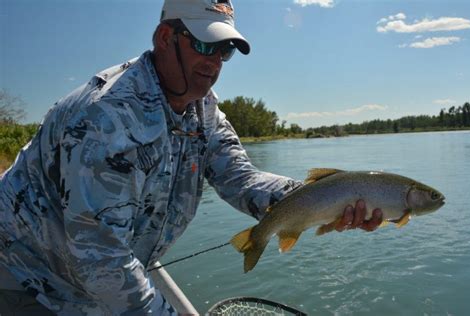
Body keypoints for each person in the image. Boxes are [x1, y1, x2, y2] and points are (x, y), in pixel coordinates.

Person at [0, 0, 383, 314]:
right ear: (165, 37)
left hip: (89, 279)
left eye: (225, 50)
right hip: (24, 275)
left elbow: (240, 178)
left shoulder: (203, 108)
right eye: (204, 45)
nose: (214, 62)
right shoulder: (108, 118)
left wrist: (325, 199)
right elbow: (102, 259)